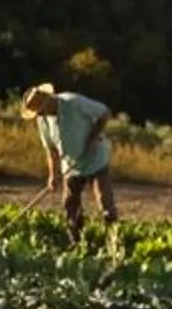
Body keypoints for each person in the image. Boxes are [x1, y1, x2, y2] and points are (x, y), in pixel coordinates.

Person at [22, 81, 120, 239]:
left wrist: (93, 138)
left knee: (104, 202)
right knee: (70, 205)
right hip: (70, 165)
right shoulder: (43, 120)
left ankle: (114, 242)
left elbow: (104, 113)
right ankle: (76, 243)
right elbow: (51, 149)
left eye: (40, 111)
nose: (39, 115)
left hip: (95, 159)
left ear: (47, 101)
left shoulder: (73, 102)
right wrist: (52, 176)